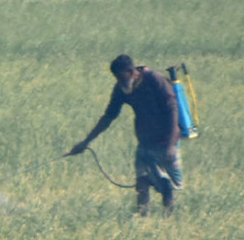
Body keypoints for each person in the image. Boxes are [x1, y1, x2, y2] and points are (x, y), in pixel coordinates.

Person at [66, 54, 185, 216]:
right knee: (142, 181)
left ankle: (168, 218)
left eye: (121, 77)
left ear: (131, 72)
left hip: (166, 139)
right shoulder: (121, 89)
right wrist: (85, 142)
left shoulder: (155, 80)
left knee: (167, 185)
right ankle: (142, 218)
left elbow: (173, 110)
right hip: (145, 140)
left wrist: (170, 145)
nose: (119, 81)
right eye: (116, 78)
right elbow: (109, 116)